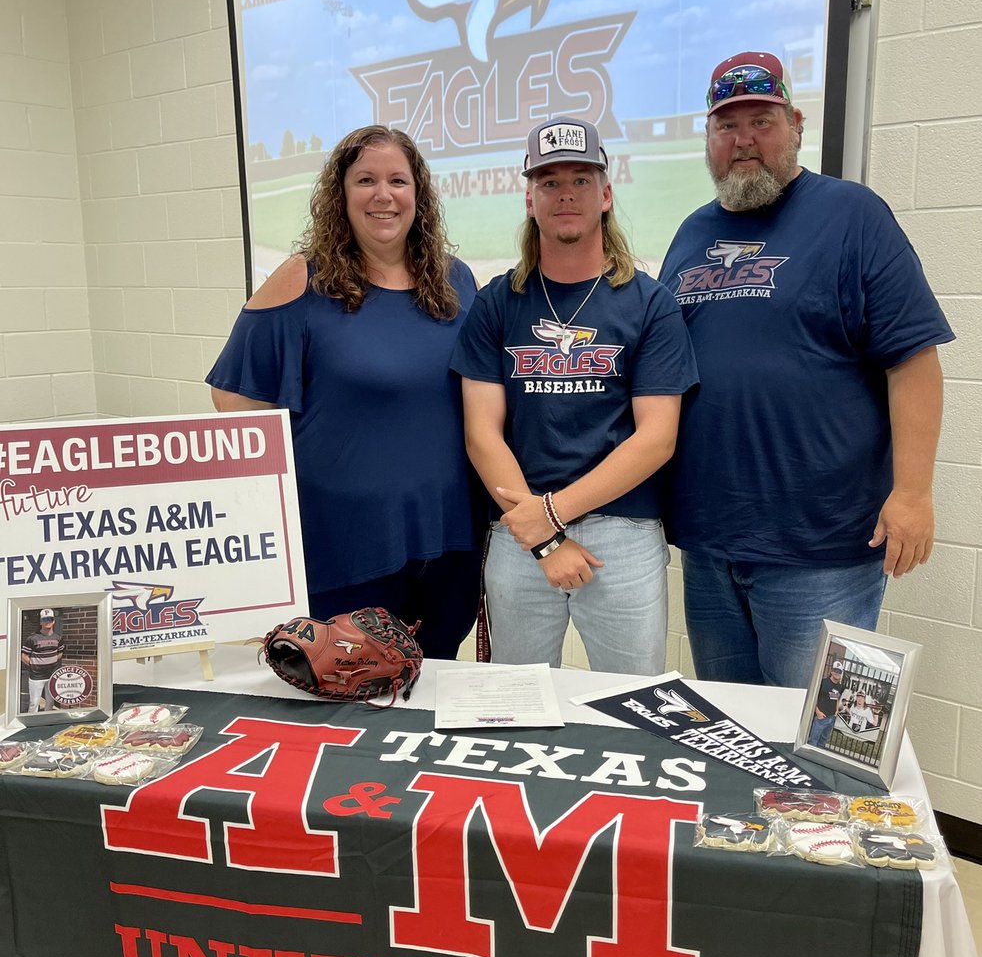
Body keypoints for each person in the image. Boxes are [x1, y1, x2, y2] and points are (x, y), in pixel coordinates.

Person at [659, 50, 953, 688]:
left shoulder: (852, 216)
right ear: (708, 139)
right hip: (710, 544)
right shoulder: (690, 234)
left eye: (761, 121)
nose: (744, 141)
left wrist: (913, 494)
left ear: (795, 124)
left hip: (822, 548)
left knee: (815, 751)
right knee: (733, 742)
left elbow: (914, 360)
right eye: (726, 125)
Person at [206, 125, 482, 658]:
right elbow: (233, 399)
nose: (384, 195)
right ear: (341, 194)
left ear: (418, 196)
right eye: (366, 180)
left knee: (432, 694)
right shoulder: (302, 280)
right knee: (351, 706)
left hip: (449, 540)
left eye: (398, 180)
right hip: (347, 544)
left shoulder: (456, 280)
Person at [451, 117, 697, 675]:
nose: (565, 192)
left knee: (633, 706)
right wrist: (540, 537)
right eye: (549, 180)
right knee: (515, 707)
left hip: (622, 531)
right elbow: (480, 433)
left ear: (606, 194)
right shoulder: (497, 303)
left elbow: (657, 439)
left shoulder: (648, 303)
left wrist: (554, 516)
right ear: (530, 198)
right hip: (519, 528)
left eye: (581, 179)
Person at [21, 608, 64, 713]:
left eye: (50, 619)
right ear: (40, 622)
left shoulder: (58, 638)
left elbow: (60, 652)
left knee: (50, 703)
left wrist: (51, 661)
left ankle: (47, 722)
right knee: (34, 703)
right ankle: (32, 724)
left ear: (53, 621)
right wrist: (34, 665)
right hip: (36, 677)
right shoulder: (32, 638)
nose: (47, 622)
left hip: (52, 676)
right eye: (44, 619)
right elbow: (23, 655)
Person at [808, 659, 844, 749]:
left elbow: (837, 698)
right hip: (821, 717)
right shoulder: (823, 682)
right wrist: (818, 712)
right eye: (835, 670)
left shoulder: (840, 686)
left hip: (832, 718)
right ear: (831, 671)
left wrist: (836, 712)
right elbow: (814, 697)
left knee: (822, 743)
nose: (837, 673)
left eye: (839, 671)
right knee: (813, 742)